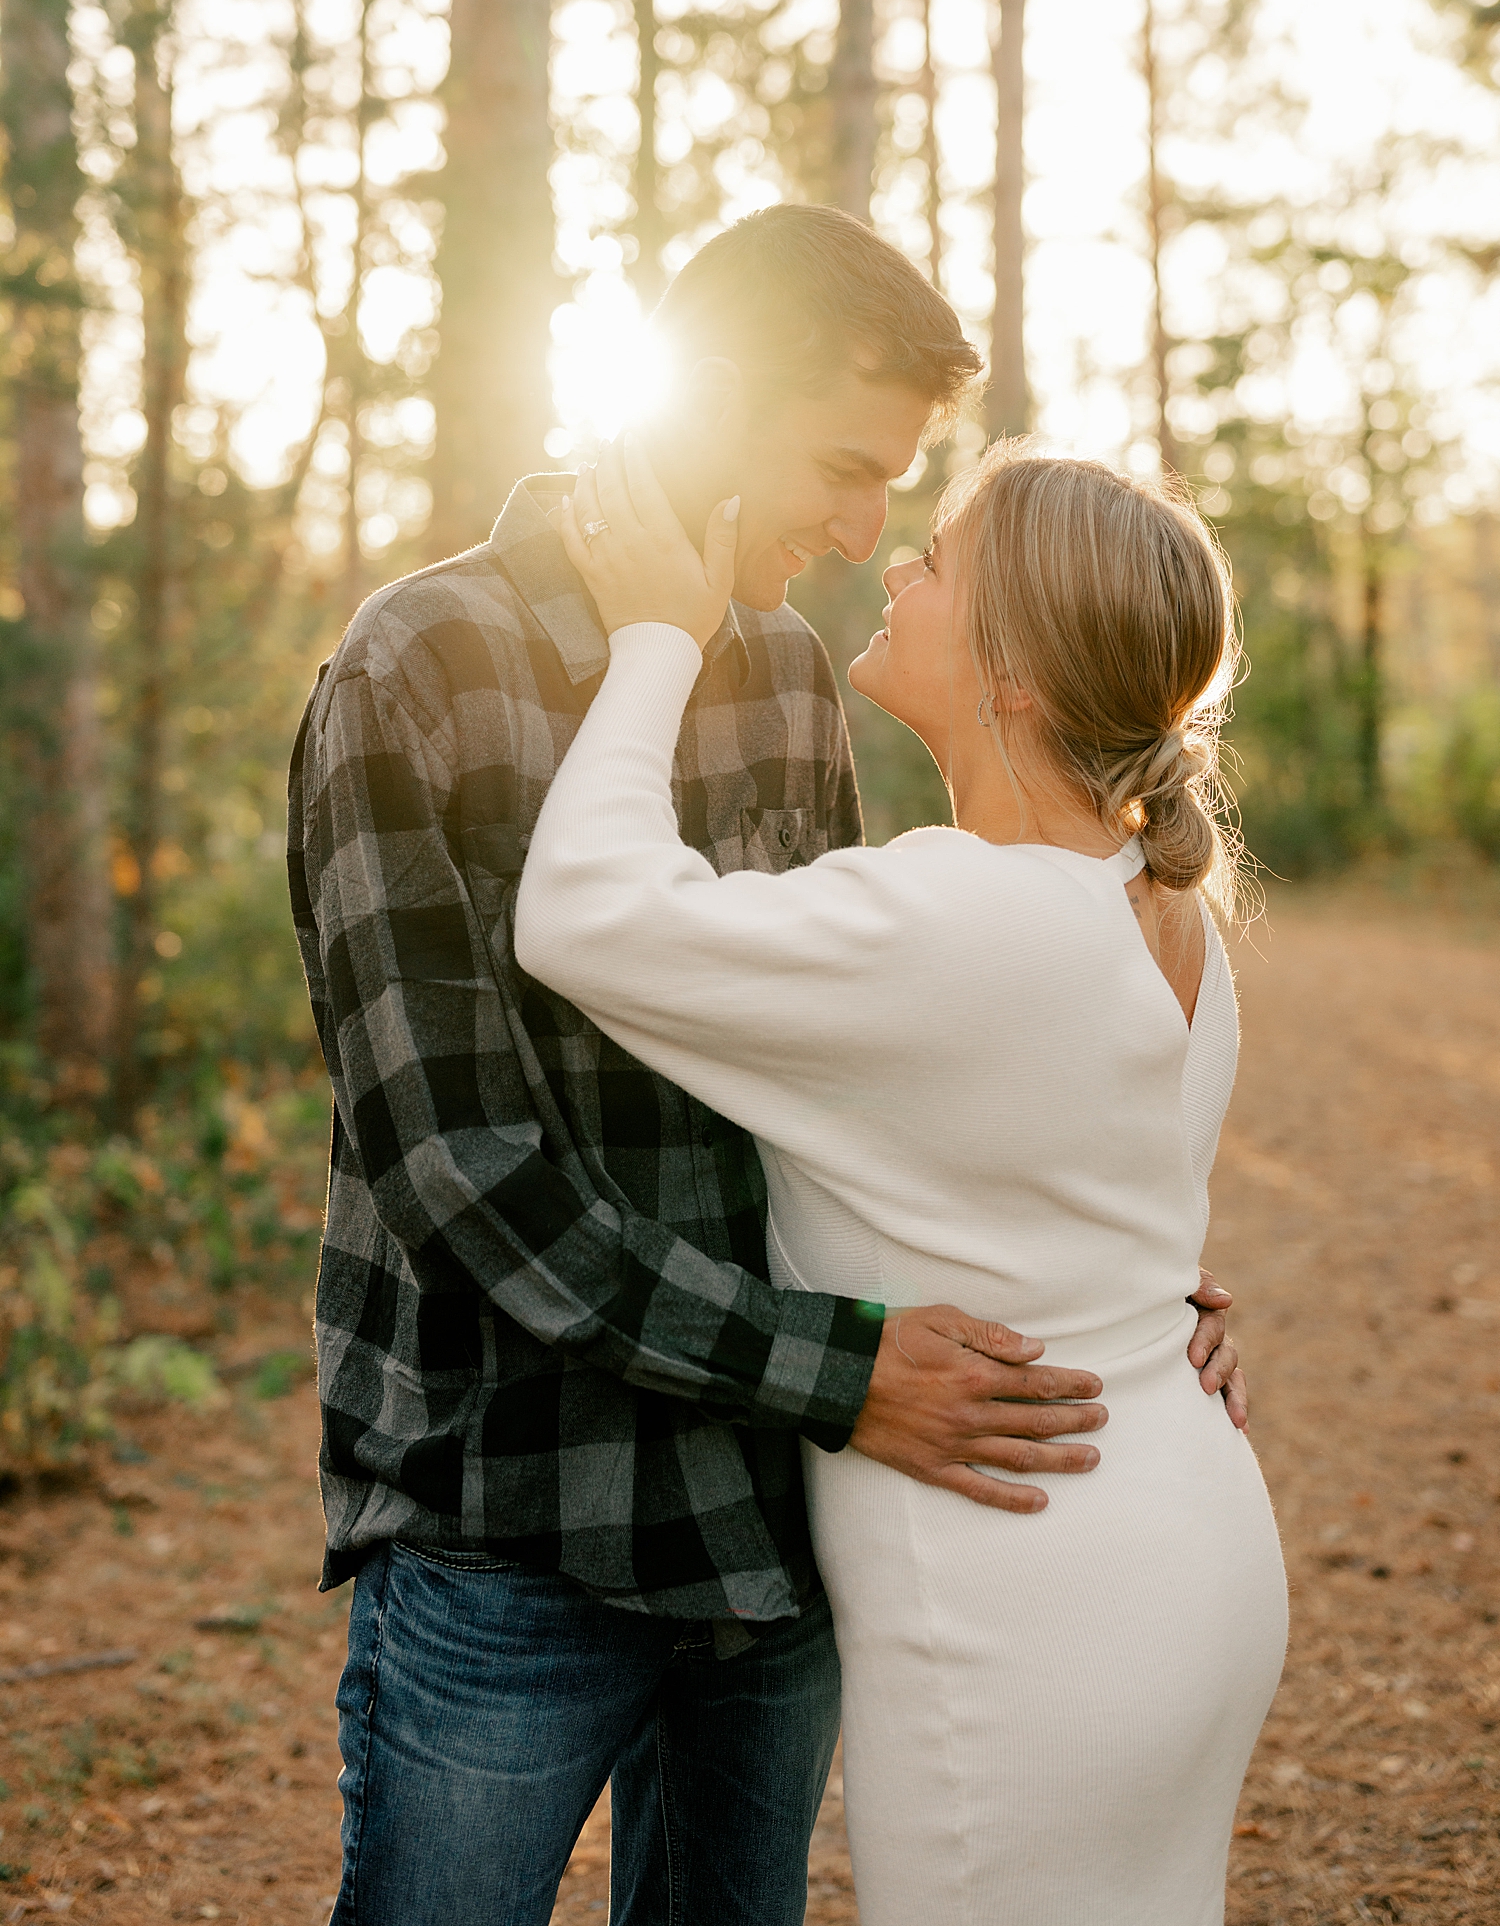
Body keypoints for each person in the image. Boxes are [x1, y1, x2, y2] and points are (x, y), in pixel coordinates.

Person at [287, 204, 1245, 1926]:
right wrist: (833, 1371)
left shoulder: (794, 671)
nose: (865, 529)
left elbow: (871, 1063)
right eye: (842, 465)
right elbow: (461, 1168)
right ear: (708, 393)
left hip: (769, 1525)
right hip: (519, 1513)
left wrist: (1108, 1273)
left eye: (903, 493)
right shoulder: (416, 667)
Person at [515, 430, 1288, 1926]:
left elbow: (584, 912)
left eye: (939, 560)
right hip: (1184, 1547)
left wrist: (659, 634)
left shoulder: (952, 912)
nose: (896, 568)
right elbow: (1092, 1205)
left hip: (1025, 1600)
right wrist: (1167, 1306)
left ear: (1017, 675)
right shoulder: (1166, 912)